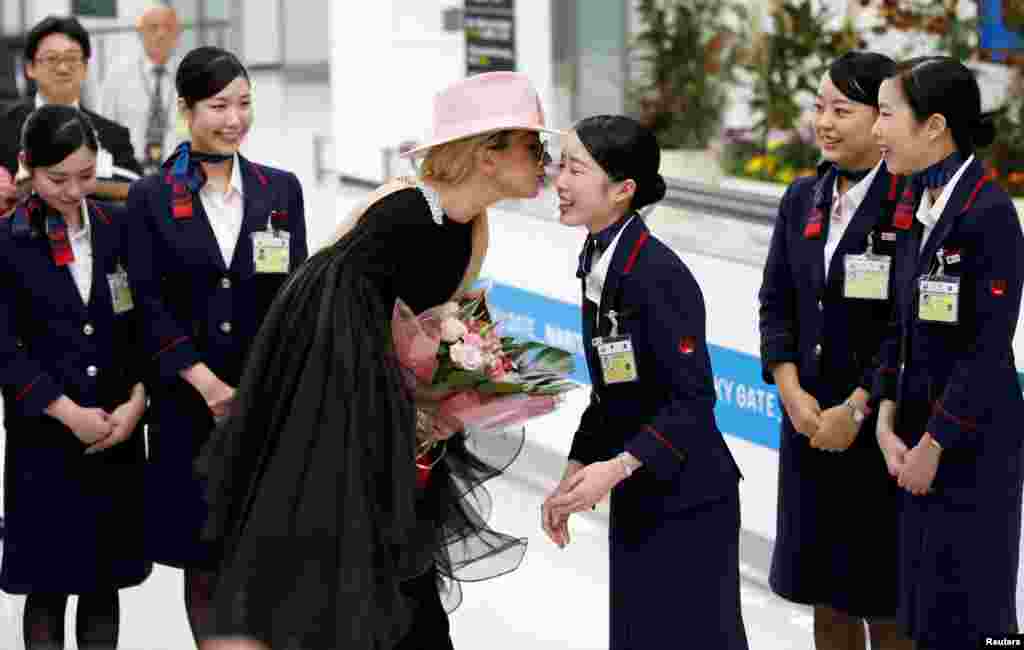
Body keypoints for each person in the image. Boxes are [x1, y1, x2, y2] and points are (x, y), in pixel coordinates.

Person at [194, 70, 557, 650]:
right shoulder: (400, 206)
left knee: (397, 579)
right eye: (532, 146)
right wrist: (398, 403)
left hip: (397, 430)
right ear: (487, 152)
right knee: (341, 577)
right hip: (335, 423)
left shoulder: (475, 230)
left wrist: (461, 390)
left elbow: (448, 326)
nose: (545, 160)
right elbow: (320, 299)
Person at [121, 46, 308, 645]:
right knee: (203, 558)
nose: (234, 119)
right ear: (187, 108)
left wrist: (263, 388)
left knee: (263, 554)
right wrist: (206, 384)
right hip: (186, 407)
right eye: (219, 105)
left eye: (245, 103)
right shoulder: (151, 197)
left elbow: (293, 299)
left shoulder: (280, 190)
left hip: (264, 406)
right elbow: (147, 304)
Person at [541, 115, 748, 649]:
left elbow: (694, 400)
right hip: (640, 489)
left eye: (576, 169)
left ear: (623, 190)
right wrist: (576, 471)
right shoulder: (598, 259)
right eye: (560, 166)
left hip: (689, 499)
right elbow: (611, 390)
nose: (559, 182)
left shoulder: (657, 275)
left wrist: (616, 466)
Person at [758, 51, 912, 649]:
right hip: (809, 428)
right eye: (819, 107)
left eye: (841, 110)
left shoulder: (909, 206)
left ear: (882, 119)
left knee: (885, 600)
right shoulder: (802, 199)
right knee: (825, 597)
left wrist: (857, 407)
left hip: (876, 434)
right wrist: (791, 390)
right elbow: (776, 304)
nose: (823, 122)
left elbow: (907, 326)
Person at [872, 56, 1024, 648]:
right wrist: (886, 419)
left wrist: (934, 444)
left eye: (886, 115)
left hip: (971, 442)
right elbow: (900, 319)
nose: (876, 130)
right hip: (914, 435)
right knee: (927, 611)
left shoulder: (988, 213)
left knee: (980, 615)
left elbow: (986, 348)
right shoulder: (916, 196)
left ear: (934, 125)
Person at [0, 105, 150, 649]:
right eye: (56, 179)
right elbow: (5, 350)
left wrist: (137, 400)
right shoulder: (9, 240)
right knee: (47, 587)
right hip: (46, 438)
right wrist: (66, 412)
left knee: (102, 582)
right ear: (27, 167)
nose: (71, 191)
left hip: (116, 432)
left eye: (85, 177)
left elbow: (141, 324)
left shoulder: (119, 229)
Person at [0, 16, 142, 200]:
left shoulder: (113, 135)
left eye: (72, 58)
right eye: (52, 58)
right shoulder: (4, 127)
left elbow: (137, 193)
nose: (63, 68)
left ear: (84, 68)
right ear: (30, 68)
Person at [102, 4, 183, 174]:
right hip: (128, 174)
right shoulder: (117, 76)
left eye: (168, 28)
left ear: (177, 34)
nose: (161, 34)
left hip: (178, 175)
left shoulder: (193, 77)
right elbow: (102, 130)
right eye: (153, 28)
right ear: (140, 32)